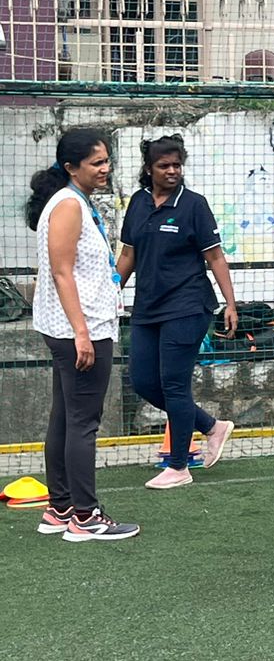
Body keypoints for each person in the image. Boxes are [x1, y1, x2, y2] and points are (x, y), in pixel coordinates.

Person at [28, 129, 139, 541]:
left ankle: (60, 508)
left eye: (107, 160)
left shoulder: (75, 201)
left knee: (66, 417)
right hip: (79, 329)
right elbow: (62, 272)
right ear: (72, 167)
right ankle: (85, 516)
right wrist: (81, 333)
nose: (105, 168)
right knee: (82, 422)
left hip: (76, 326)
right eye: (97, 163)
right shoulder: (69, 205)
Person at [117, 135, 239, 489]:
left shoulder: (194, 205)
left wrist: (230, 303)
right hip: (147, 308)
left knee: (174, 384)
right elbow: (128, 255)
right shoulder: (138, 203)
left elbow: (215, 257)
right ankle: (212, 427)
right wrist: (108, 293)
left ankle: (179, 466)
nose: (172, 171)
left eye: (177, 165)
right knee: (143, 381)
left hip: (187, 306)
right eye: (164, 166)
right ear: (149, 169)